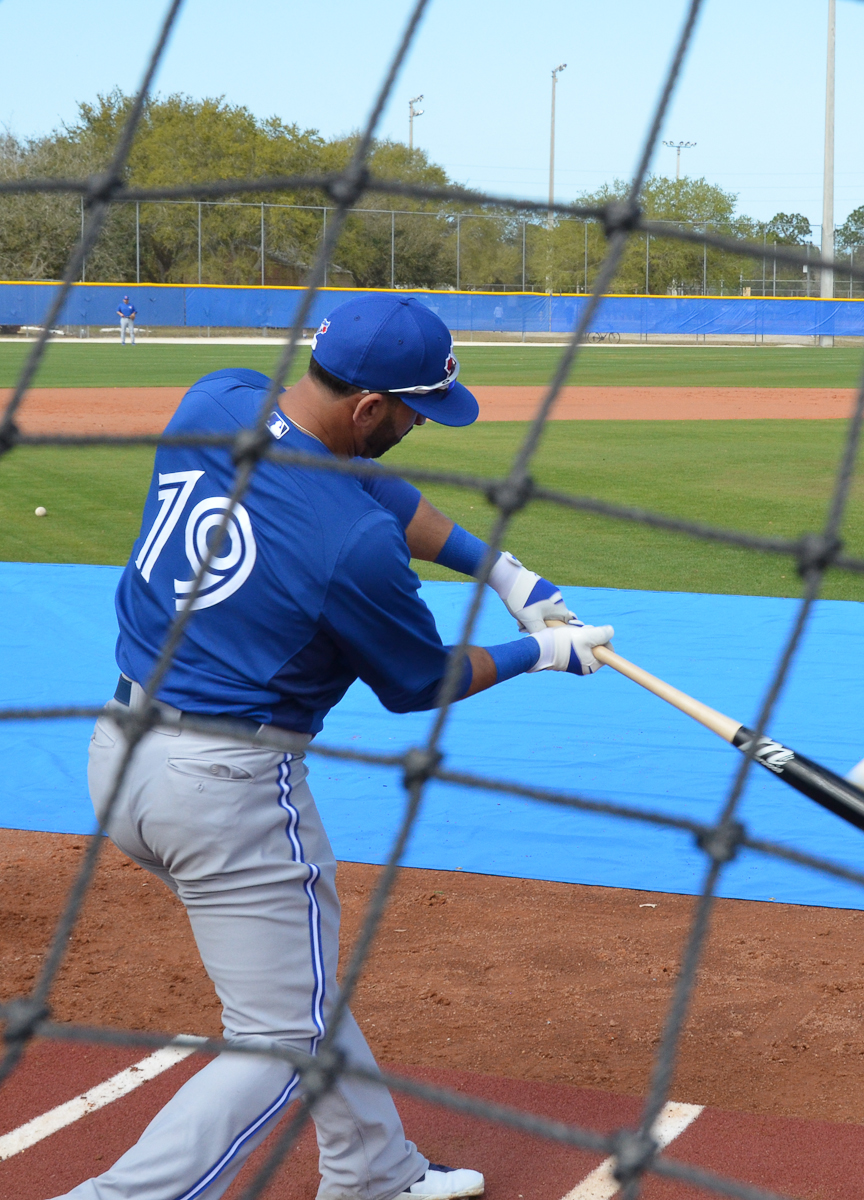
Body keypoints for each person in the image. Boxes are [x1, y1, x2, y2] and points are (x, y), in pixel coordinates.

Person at [63, 294, 614, 1200]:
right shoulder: (352, 547)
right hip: (225, 793)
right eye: (408, 412)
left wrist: (500, 568)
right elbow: (418, 683)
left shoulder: (219, 400)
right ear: (367, 409)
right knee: (279, 1043)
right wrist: (540, 651)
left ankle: (375, 1173)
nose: (412, 427)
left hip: (118, 758)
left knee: (299, 982)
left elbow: (355, 480)